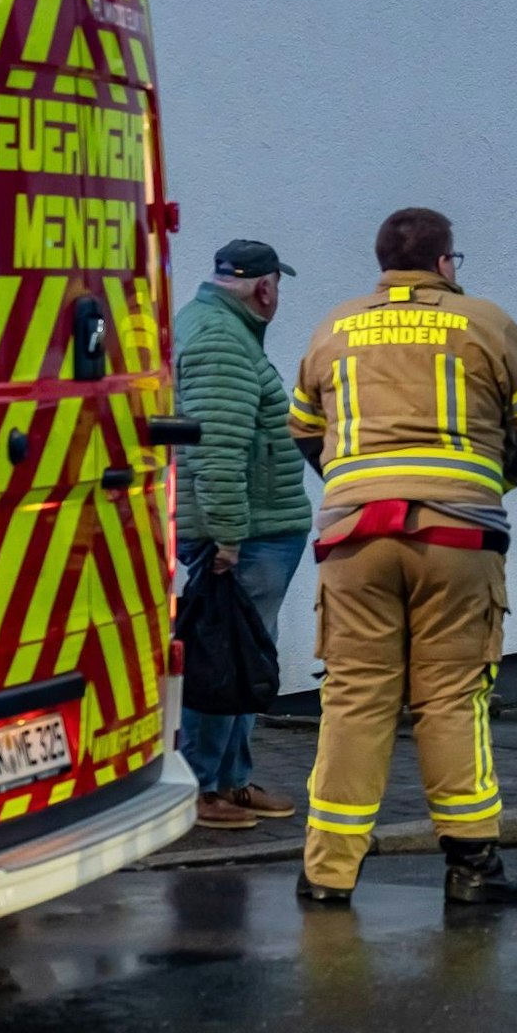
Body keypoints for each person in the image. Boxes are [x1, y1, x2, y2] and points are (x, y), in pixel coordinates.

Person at [288, 208, 517, 905]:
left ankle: (326, 874)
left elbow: (303, 431)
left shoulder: (333, 328)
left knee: (352, 699)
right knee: (449, 697)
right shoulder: (486, 323)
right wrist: (488, 486)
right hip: (457, 538)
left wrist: (355, 489)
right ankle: (472, 868)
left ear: (383, 265)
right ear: (445, 263)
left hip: (353, 539)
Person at [172, 239, 313, 831]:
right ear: (264, 288)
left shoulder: (219, 331)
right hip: (243, 536)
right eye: (277, 286)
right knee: (220, 663)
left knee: (241, 660)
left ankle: (229, 781)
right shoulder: (221, 343)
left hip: (255, 532)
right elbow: (217, 452)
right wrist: (227, 537)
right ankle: (203, 787)